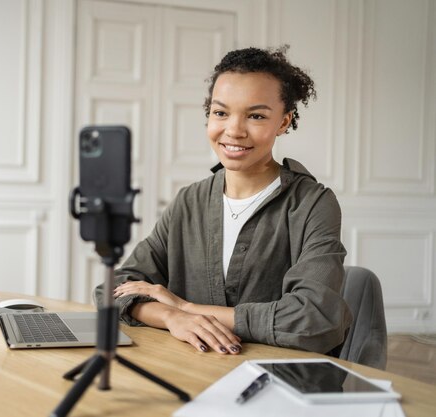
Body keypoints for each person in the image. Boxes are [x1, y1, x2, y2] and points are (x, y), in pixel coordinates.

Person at [94, 46, 353, 356]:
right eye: (220, 112)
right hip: (193, 371)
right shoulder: (189, 200)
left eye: (256, 116)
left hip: (277, 380)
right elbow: (115, 288)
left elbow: (315, 319)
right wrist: (172, 317)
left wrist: (186, 306)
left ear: (284, 122)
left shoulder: (313, 203)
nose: (233, 130)